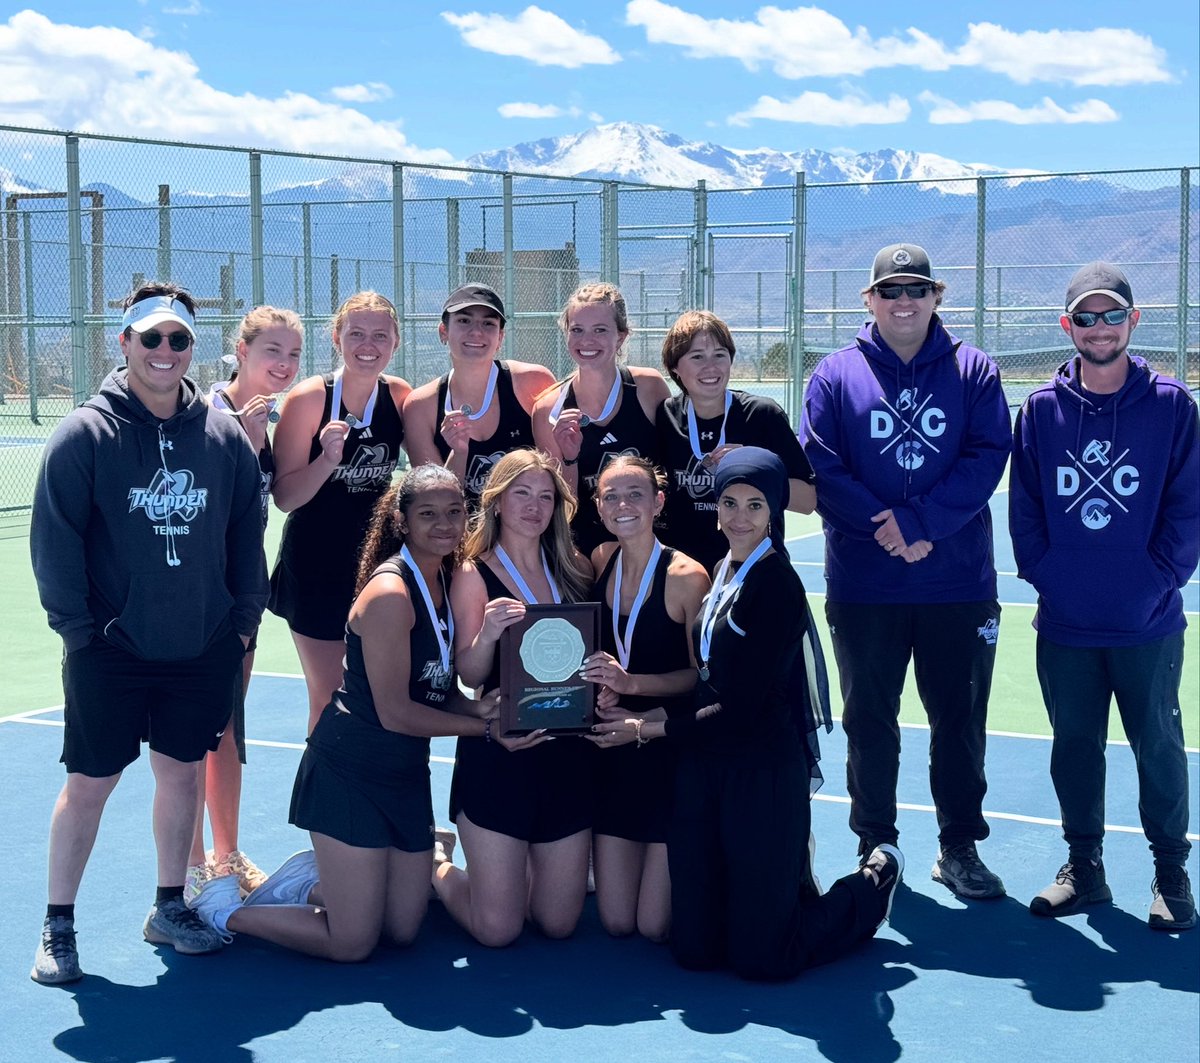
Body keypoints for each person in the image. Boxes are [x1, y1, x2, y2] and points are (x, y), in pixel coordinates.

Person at [29, 282, 268, 984]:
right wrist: (82, 633)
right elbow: (55, 543)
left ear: (193, 349)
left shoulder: (222, 437)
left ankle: (169, 904)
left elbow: (244, 537)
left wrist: (240, 623)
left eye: (179, 340)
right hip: (112, 649)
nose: (165, 352)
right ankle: (59, 922)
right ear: (126, 343)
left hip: (200, 646)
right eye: (152, 338)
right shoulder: (85, 434)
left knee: (182, 771)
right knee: (90, 782)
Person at [593, 448, 903, 979]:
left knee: (763, 958)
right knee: (693, 951)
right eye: (729, 503)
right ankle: (777, 898)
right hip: (703, 766)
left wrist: (646, 728)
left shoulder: (776, 584)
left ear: (773, 512)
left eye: (755, 506)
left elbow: (740, 710)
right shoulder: (724, 569)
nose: (739, 517)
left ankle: (871, 886)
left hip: (760, 768)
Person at [188, 466, 505, 960]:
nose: (445, 524)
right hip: (349, 770)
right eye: (428, 514)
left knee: (401, 930)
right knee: (353, 942)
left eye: (455, 512)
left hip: (404, 772)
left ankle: (311, 885)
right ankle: (223, 909)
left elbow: (433, 689)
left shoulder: (444, 580)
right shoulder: (390, 595)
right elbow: (397, 712)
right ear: (401, 521)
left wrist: (478, 706)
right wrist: (485, 726)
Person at [800, 243, 1011, 899]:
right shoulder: (835, 375)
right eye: (890, 290)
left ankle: (959, 846)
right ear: (869, 300)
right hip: (867, 587)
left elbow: (986, 455)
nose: (903, 301)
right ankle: (877, 845)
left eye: (916, 290)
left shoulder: (974, 371)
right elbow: (822, 466)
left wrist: (920, 523)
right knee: (869, 720)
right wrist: (888, 527)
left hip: (958, 585)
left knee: (960, 719)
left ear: (935, 297)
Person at [1009, 262, 1199, 930]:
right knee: (1075, 746)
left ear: (1133, 321)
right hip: (1067, 624)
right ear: (1068, 327)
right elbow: (1026, 515)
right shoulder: (1039, 411)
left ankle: (1172, 872)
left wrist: (1151, 585)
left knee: (1159, 747)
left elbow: (1185, 511)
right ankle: (1084, 868)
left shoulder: (1173, 407)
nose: (1099, 327)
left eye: (1111, 314)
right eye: (1085, 317)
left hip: (1147, 624)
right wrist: (1051, 580)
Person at [435, 449, 595, 946]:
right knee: (498, 931)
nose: (534, 506)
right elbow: (469, 674)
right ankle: (435, 862)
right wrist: (485, 634)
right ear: (498, 502)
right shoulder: (471, 572)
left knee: (557, 924)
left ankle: (514, 872)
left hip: (566, 753)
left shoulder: (575, 568)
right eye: (521, 493)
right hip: (502, 750)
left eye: (545, 496)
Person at [187, 307, 303, 900]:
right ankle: (189, 866)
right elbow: (201, 511)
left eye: (292, 355)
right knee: (188, 732)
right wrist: (246, 445)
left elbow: (270, 506)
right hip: (193, 597)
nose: (282, 365)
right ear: (241, 350)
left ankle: (226, 855)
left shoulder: (271, 419)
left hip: (241, 594)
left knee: (229, 729)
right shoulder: (203, 416)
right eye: (271, 352)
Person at [268, 291, 411, 734]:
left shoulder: (400, 397)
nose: (368, 345)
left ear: (396, 343)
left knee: (381, 694)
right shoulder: (310, 399)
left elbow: (427, 475)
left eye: (380, 336)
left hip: (377, 565)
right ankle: (320, 798)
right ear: (336, 337)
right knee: (330, 697)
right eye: (356, 334)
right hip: (315, 566)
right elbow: (285, 497)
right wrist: (327, 460)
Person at [580, 456, 709, 941]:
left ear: (657, 502)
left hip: (668, 750)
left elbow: (700, 679)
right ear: (599, 507)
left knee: (653, 927)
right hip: (611, 753)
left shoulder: (685, 576)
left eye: (635, 494)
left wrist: (630, 685)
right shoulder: (598, 560)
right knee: (615, 923)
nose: (622, 505)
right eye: (611, 496)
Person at [656, 310, 816, 572]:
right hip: (682, 576)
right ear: (674, 367)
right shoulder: (665, 417)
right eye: (697, 357)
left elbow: (808, 501)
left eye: (720, 355)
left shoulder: (763, 415)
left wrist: (753, 469)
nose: (711, 367)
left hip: (753, 570)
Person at [532, 283, 671, 556]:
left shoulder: (648, 387)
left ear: (620, 337)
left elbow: (670, 466)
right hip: (587, 554)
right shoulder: (548, 409)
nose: (587, 341)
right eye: (577, 330)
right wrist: (570, 458)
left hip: (653, 546)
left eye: (600, 330)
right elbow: (563, 506)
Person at [402, 283, 555, 506]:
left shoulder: (533, 382)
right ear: (443, 332)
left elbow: (555, 477)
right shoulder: (420, 406)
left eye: (488, 323)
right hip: (459, 537)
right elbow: (436, 503)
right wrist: (459, 454)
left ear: (500, 337)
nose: (476, 332)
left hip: (528, 533)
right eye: (464, 321)